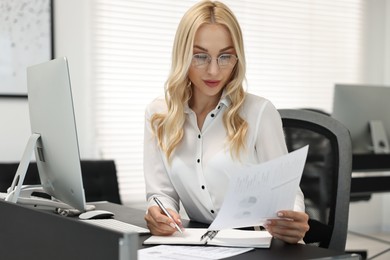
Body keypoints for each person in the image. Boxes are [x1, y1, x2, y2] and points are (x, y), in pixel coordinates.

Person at [143, 0, 309, 244]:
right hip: (203, 246)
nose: (213, 71)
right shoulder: (159, 115)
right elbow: (161, 194)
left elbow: (288, 192)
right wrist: (159, 213)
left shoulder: (259, 112)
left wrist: (293, 219)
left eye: (225, 57)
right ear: (182, 55)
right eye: (200, 56)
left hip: (262, 244)